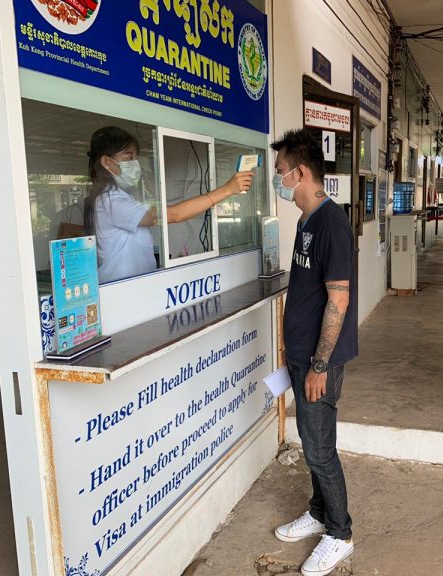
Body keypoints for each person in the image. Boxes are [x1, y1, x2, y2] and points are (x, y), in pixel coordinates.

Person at [270, 129, 358, 576]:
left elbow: (338, 299)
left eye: (281, 171)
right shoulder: (306, 220)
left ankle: (340, 533)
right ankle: (320, 512)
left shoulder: (332, 225)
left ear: (301, 172)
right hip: (302, 355)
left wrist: (319, 365)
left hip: (318, 362)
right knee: (312, 441)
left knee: (320, 450)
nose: (278, 179)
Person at [86, 126, 253, 283]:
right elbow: (174, 215)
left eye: (136, 158)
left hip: (134, 284)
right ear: (106, 162)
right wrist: (227, 190)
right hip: (119, 287)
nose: (135, 164)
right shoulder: (111, 201)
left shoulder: (119, 197)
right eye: (129, 158)